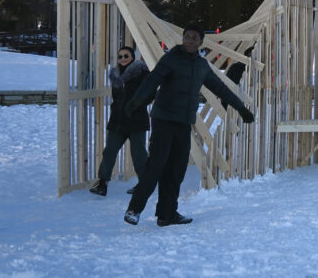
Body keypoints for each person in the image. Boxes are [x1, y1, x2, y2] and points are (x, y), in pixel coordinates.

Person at [123, 27, 254, 227]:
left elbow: (220, 89)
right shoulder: (171, 59)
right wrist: (135, 102)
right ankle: (134, 209)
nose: (189, 41)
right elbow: (153, 79)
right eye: (186, 37)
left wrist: (241, 109)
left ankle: (167, 214)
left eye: (194, 38)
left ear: (201, 42)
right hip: (164, 119)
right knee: (156, 165)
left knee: (176, 170)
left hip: (183, 123)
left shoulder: (202, 66)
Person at [90, 46, 150, 197]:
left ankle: (144, 184)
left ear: (132, 57)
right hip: (118, 121)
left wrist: (136, 104)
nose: (123, 59)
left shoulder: (142, 73)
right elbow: (116, 98)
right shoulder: (116, 75)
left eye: (126, 56)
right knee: (109, 151)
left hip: (136, 120)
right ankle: (102, 183)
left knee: (139, 154)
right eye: (120, 56)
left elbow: (150, 94)